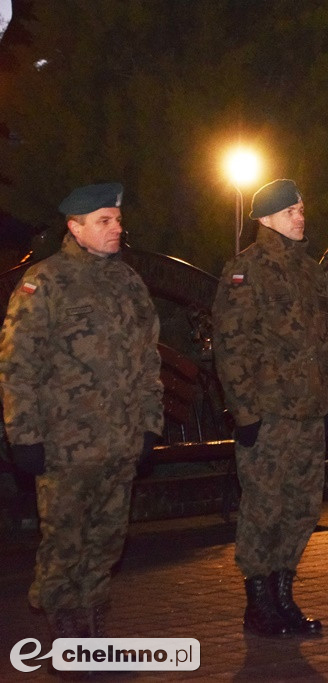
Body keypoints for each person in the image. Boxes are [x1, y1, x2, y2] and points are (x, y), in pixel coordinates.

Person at [0, 182, 164, 639]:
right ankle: (65, 633)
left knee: (107, 542)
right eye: (104, 221)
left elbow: (149, 358)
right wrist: (24, 436)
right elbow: (17, 364)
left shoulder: (128, 282)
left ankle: (92, 624)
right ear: (75, 228)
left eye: (117, 220)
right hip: (65, 447)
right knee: (64, 545)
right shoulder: (44, 282)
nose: (116, 228)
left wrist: (150, 423)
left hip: (119, 443)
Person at [212, 179, 328, 636]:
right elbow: (231, 346)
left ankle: (284, 596)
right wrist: (245, 413)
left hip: (307, 413)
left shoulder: (310, 271)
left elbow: (326, 342)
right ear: (265, 219)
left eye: (302, 210)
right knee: (264, 508)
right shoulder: (247, 269)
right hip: (268, 416)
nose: (300, 217)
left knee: (302, 509)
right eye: (291, 212)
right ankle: (258, 603)